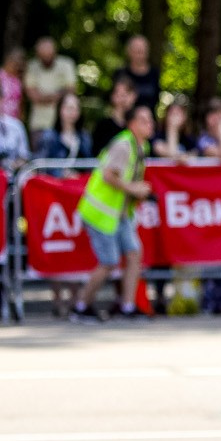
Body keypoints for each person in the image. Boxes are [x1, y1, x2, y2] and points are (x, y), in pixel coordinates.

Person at [72, 101, 154, 322]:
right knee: (108, 262)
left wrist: (136, 191)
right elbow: (109, 175)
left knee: (134, 253)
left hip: (119, 213)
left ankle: (127, 306)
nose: (150, 124)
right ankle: (81, 306)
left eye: (150, 120)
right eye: (144, 120)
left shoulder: (140, 146)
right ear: (132, 124)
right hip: (101, 212)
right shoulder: (123, 145)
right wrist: (134, 188)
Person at [23, 37, 78, 137]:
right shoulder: (32, 66)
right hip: (38, 124)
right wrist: (59, 94)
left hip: (63, 124)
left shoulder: (66, 64)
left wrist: (44, 96)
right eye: (43, 56)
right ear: (38, 55)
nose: (47, 59)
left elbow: (71, 91)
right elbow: (34, 96)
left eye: (49, 55)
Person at [37, 93, 93, 160]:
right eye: (69, 108)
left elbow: (88, 163)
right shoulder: (49, 137)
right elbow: (42, 163)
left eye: (76, 108)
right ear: (60, 109)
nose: (72, 112)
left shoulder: (84, 137)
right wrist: (60, 170)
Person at [113, 34, 161, 113]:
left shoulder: (155, 74)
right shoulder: (120, 74)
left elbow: (157, 99)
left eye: (143, 51)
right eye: (137, 51)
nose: (140, 55)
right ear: (129, 52)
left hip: (148, 120)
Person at [91, 77, 137, 152]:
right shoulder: (102, 126)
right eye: (119, 93)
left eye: (127, 93)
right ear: (112, 96)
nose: (123, 98)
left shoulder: (137, 125)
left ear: (134, 96)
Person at [153, 94, 200, 159]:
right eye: (172, 113)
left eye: (178, 113)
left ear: (184, 118)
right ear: (166, 116)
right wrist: (172, 129)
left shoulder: (189, 138)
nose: (174, 117)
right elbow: (170, 154)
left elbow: (194, 154)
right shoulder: (158, 136)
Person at [0, 47, 27, 123]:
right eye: (15, 63)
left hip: (14, 120)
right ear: (8, 60)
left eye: (20, 64)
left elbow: (21, 100)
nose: (17, 66)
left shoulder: (19, 79)